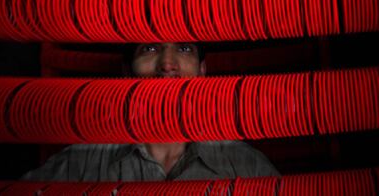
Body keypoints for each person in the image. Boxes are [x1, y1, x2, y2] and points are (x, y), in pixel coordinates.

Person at [22, 43, 279, 181]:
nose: (167, 64)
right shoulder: (81, 163)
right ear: (126, 70)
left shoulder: (245, 165)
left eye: (185, 48)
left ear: (202, 70)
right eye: (150, 48)